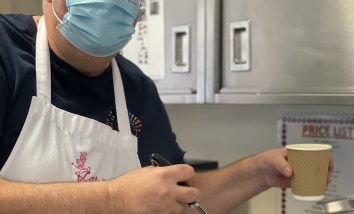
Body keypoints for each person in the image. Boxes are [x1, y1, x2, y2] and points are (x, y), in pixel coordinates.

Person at [0, 0, 333, 213]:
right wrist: (113, 200)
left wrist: (259, 172)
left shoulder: (136, 88)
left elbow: (178, 197)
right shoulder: (7, 53)